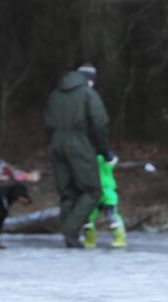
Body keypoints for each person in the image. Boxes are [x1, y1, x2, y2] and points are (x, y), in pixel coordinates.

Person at [45, 63, 114, 248]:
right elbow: (100, 123)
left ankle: (70, 237)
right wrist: (104, 150)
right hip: (79, 144)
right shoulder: (88, 93)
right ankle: (71, 230)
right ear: (91, 80)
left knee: (68, 192)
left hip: (56, 144)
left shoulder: (55, 94)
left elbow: (48, 123)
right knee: (92, 191)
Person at [82, 154, 128, 248]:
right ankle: (90, 240)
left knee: (111, 215)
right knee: (88, 217)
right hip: (94, 192)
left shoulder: (103, 157)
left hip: (107, 192)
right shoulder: (88, 157)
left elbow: (112, 159)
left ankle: (120, 238)